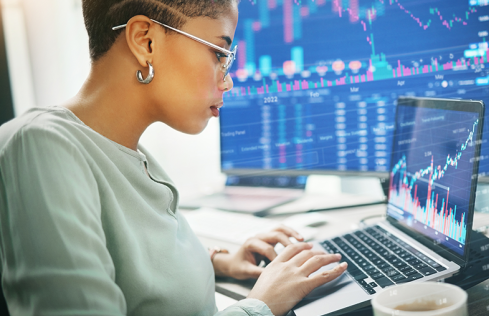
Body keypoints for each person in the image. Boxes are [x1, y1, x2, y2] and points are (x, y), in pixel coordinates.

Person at [0, 0, 347, 315]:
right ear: (145, 41)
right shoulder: (40, 147)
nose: (226, 82)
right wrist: (261, 306)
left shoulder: (130, 153)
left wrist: (217, 261)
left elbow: (135, 269)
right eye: (219, 54)